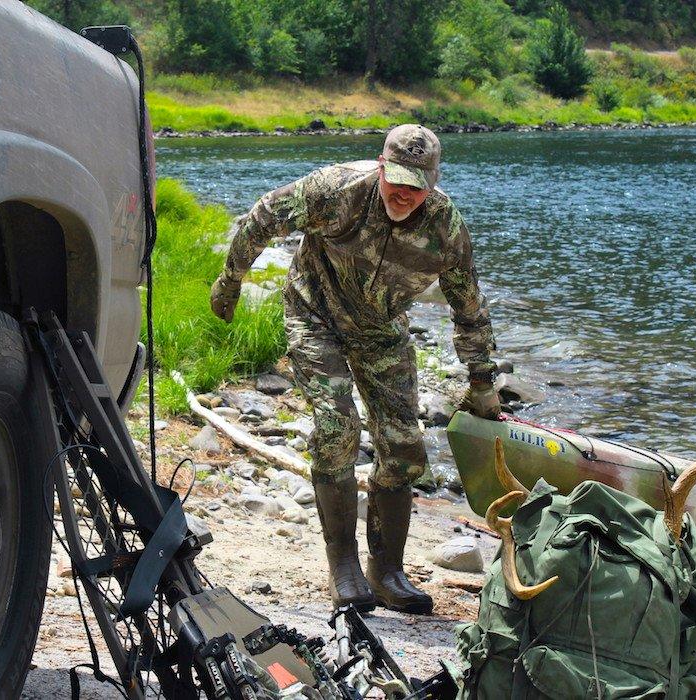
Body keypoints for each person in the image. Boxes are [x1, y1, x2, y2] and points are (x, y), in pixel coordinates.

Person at [210, 125, 500, 614]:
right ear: (381, 165)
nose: (403, 195)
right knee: (336, 426)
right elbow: (263, 216)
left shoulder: (445, 228)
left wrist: (482, 382)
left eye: (417, 186)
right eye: (397, 181)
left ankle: (386, 572)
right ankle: (343, 567)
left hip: (380, 325)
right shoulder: (337, 190)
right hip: (315, 312)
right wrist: (230, 280)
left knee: (405, 444)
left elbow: (468, 305)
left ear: (434, 182)